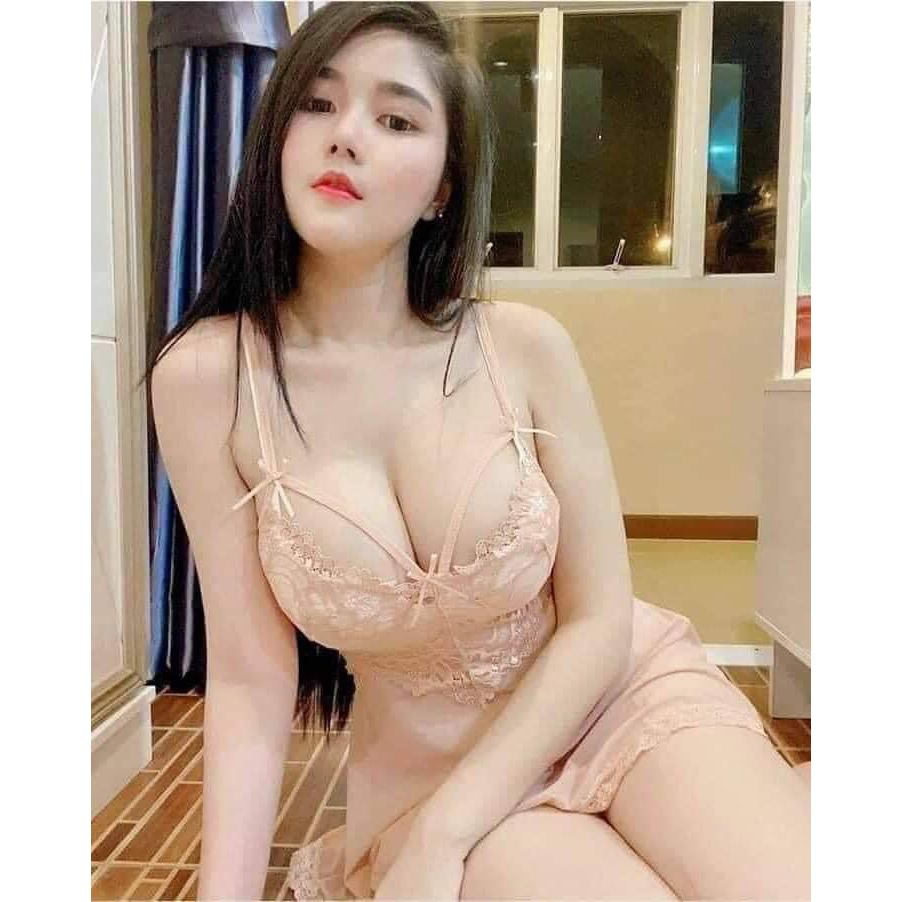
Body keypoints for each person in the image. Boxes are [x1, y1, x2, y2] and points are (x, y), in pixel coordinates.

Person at [147, 3, 811, 900]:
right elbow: (250, 681)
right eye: (317, 103)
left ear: (442, 190)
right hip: (427, 770)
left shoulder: (525, 346)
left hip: (622, 697)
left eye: (396, 119)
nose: (347, 136)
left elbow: (598, 618)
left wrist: (448, 833)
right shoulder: (207, 378)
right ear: (276, 140)